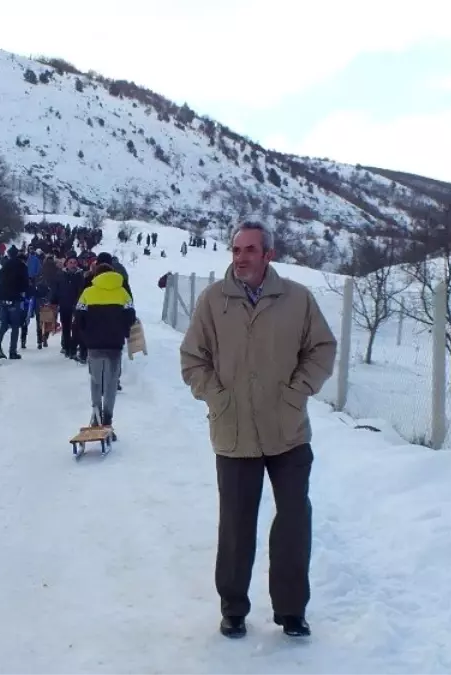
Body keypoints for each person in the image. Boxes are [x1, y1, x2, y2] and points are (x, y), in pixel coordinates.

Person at [179, 222, 336, 640]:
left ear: (269, 253)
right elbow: (193, 358)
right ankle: (233, 608)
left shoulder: (297, 299)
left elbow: (322, 348)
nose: (241, 257)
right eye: (235, 250)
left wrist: (297, 391)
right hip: (233, 432)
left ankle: (290, 610)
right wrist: (216, 396)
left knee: (293, 521)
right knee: (235, 525)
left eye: (250, 250)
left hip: (287, 431)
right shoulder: (214, 301)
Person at [74, 263, 136, 427]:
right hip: (114, 343)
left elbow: (78, 316)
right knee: (111, 382)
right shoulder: (122, 292)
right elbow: (131, 315)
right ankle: (108, 418)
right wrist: (123, 331)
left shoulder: (88, 292)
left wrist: (85, 335)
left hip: (93, 344)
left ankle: (96, 416)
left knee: (95, 380)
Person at [0, 248, 29, 360]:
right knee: (15, 326)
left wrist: (0, 291)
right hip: (14, 299)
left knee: (3, 325)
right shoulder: (22, 267)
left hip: (2, 299)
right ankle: (12, 352)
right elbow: (25, 284)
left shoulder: (5, 266)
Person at [52, 255, 87, 360]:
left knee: (77, 328)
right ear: (66, 264)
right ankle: (67, 348)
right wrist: (53, 301)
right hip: (64, 305)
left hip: (77, 306)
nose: (73, 264)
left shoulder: (81, 275)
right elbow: (55, 289)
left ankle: (75, 348)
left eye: (74, 262)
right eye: (70, 262)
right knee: (66, 328)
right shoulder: (60, 275)